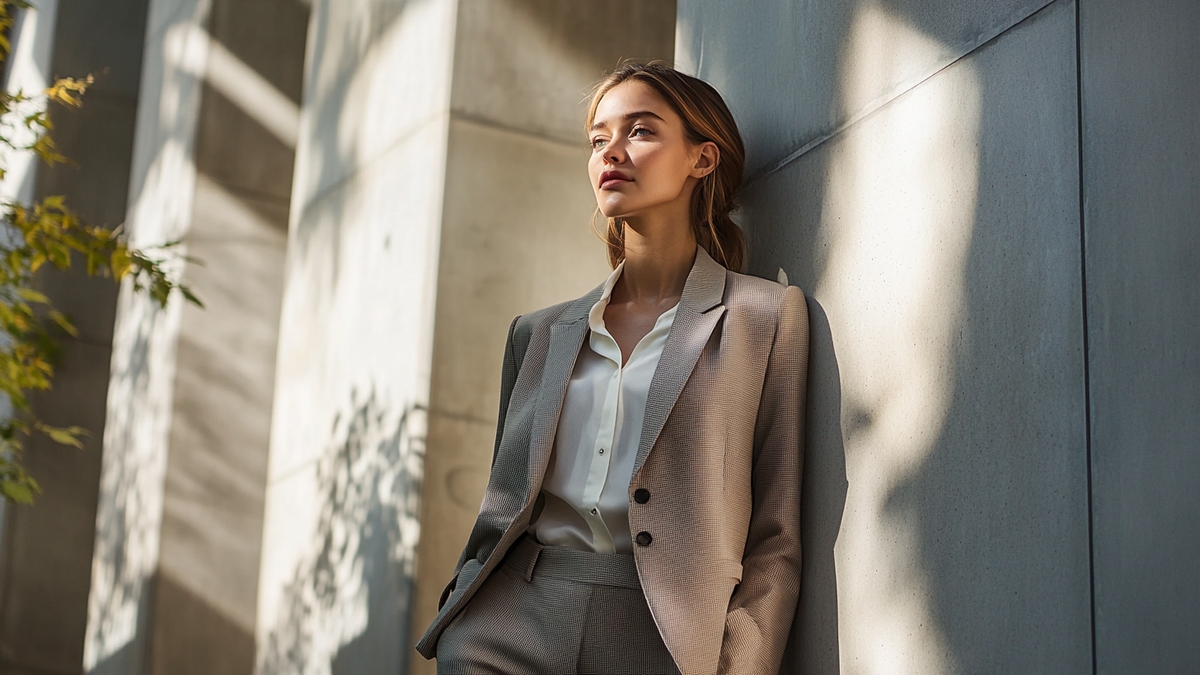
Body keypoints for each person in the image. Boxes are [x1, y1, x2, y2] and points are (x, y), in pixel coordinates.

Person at [415, 62, 809, 674]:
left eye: (640, 132)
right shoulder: (538, 334)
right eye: (599, 139)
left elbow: (775, 539)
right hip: (510, 629)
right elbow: (507, 503)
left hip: (667, 637)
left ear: (702, 159)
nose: (611, 153)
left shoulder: (764, 317)